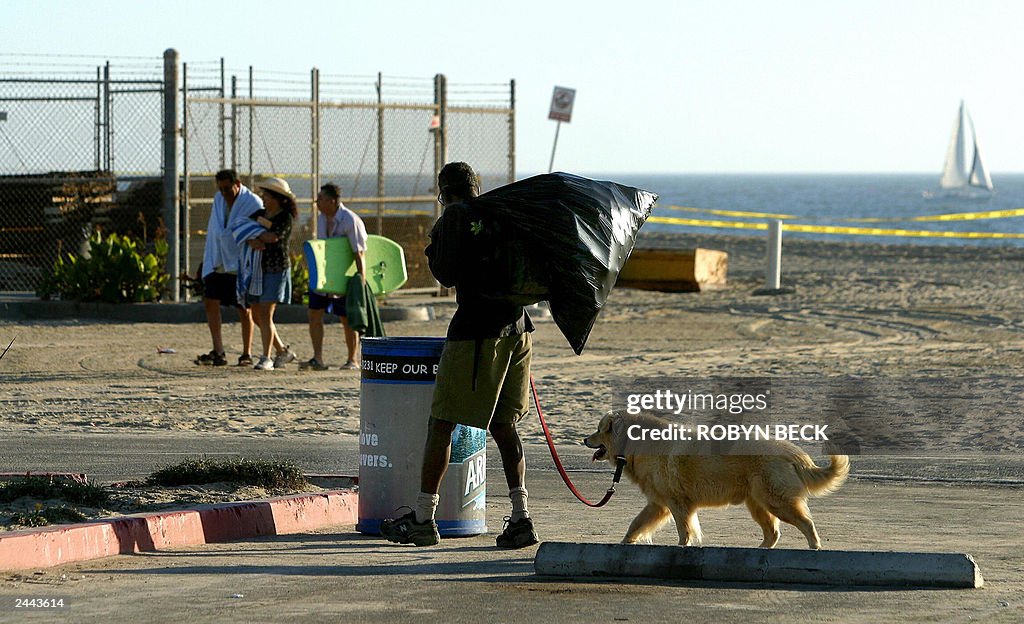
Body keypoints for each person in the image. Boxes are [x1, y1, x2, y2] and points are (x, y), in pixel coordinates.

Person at [380, 162, 539, 548]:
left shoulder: (456, 216)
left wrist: (435, 247)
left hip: (476, 335)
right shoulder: (501, 212)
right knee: (504, 426)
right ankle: (521, 518)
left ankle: (422, 518)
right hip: (519, 330)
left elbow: (446, 274)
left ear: (444, 190)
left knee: (442, 423)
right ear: (475, 187)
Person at [195, 169, 259, 367]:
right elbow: (216, 229)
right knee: (210, 303)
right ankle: (219, 350)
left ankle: (246, 352)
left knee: (243, 308)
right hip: (218, 260)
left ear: (237, 184)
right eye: (220, 189)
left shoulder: (253, 202)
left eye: (227, 188)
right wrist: (207, 261)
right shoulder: (218, 199)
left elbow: (255, 230)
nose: (224, 193)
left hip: (240, 262)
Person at [300, 183, 367, 371]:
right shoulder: (322, 219)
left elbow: (359, 252)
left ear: (331, 200)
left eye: (320, 199)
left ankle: (352, 359)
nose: (317, 202)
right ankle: (318, 358)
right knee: (314, 313)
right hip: (324, 275)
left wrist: (360, 279)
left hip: (344, 276)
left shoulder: (349, 220)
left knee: (347, 317)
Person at [236, 176, 299, 371]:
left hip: (276, 269)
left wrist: (256, 235)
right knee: (256, 314)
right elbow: (243, 228)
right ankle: (282, 350)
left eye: (267, 195)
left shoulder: (285, 218)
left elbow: (274, 237)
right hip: (257, 269)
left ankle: (266, 357)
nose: (263, 198)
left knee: (265, 312)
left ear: (278, 198)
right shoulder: (260, 214)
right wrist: (252, 238)